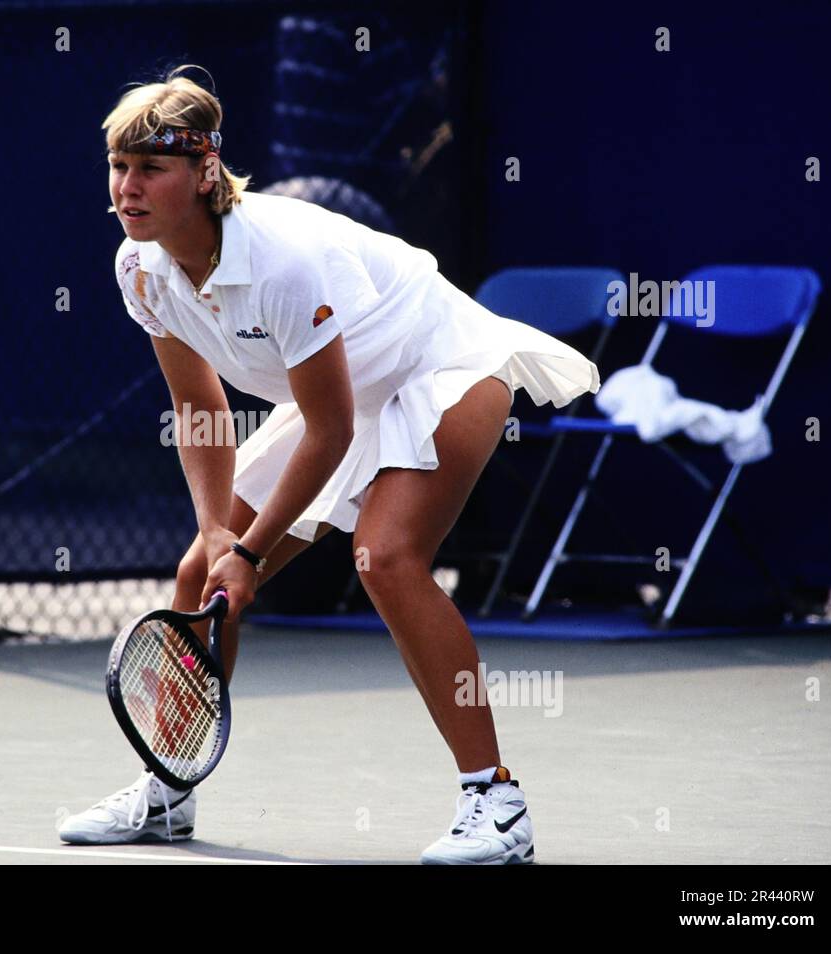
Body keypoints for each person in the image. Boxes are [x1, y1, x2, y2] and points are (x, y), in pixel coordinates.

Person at [58, 66, 600, 864]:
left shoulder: (279, 262)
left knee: (386, 557)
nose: (127, 188)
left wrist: (249, 554)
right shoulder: (140, 268)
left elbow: (333, 428)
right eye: (119, 167)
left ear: (205, 173)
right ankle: (168, 790)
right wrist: (218, 536)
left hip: (438, 365)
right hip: (341, 398)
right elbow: (199, 403)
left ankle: (497, 801)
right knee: (196, 578)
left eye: (151, 169)